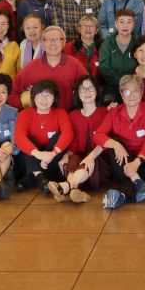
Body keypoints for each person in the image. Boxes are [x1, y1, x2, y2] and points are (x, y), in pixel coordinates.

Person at [93, 74, 145, 209]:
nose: (131, 95)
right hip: (121, 163)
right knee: (115, 141)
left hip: (142, 160)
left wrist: (136, 162)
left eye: (135, 91)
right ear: (121, 94)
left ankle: (122, 196)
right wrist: (116, 145)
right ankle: (138, 181)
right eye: (127, 92)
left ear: (141, 92)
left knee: (141, 170)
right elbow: (97, 135)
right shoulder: (114, 112)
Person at [46, 75, 109, 204]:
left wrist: (91, 157)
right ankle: (74, 191)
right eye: (83, 89)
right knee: (73, 159)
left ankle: (65, 187)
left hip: (100, 157)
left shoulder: (106, 112)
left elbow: (107, 140)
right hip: (79, 157)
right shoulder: (72, 115)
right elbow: (73, 145)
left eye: (91, 88)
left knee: (87, 160)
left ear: (97, 91)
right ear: (77, 93)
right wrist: (66, 155)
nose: (87, 92)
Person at [14, 79, 75, 193]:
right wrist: (39, 154)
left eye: (48, 95)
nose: (44, 99)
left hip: (52, 162)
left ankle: (32, 177)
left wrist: (52, 154)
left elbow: (68, 134)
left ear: (54, 98)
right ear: (33, 97)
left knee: (59, 136)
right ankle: (41, 179)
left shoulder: (60, 113)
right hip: (31, 159)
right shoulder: (25, 114)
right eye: (41, 95)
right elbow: (19, 136)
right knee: (27, 141)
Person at [9, 25, 88, 110]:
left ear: (64, 42)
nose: (52, 43)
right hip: (40, 116)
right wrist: (25, 110)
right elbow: (13, 91)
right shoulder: (32, 66)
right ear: (42, 43)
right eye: (48, 40)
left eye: (57, 39)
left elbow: (88, 87)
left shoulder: (74, 64)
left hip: (67, 114)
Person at [98, 9, 138, 99]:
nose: (125, 25)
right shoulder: (107, 43)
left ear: (133, 25)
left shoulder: (138, 42)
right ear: (116, 24)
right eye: (121, 22)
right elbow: (104, 67)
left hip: (134, 87)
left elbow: (142, 65)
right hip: (111, 88)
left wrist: (131, 84)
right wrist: (121, 83)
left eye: (129, 22)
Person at [64, 14, 101, 79]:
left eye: (91, 26)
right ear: (79, 29)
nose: (88, 28)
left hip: (99, 83)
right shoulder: (69, 47)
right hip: (76, 83)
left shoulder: (103, 47)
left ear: (96, 30)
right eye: (85, 25)